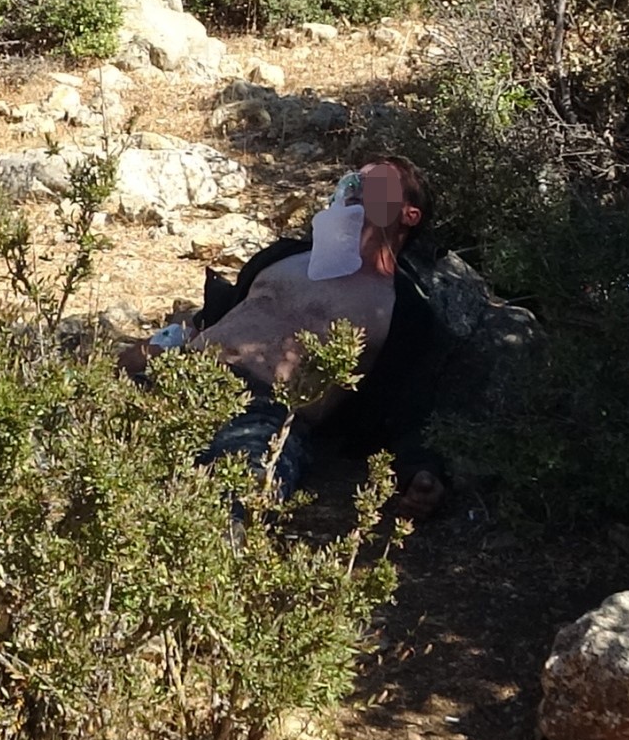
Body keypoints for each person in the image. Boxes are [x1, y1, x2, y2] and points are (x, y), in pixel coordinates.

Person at [120, 155, 452, 518]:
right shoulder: (285, 256)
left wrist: (421, 470)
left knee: (234, 507)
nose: (358, 188)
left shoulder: (401, 308)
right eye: (355, 180)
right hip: (183, 374)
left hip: (262, 414)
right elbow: (218, 319)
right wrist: (159, 346)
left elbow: (411, 404)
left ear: (408, 214)